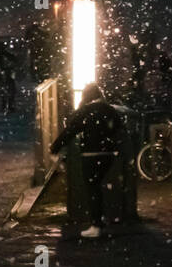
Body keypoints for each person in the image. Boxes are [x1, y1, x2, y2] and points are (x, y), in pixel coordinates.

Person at [50, 83, 123, 238]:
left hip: (90, 154)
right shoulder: (109, 110)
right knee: (100, 186)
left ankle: (96, 224)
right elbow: (118, 128)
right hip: (108, 154)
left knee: (92, 189)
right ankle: (105, 219)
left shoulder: (86, 111)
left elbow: (71, 130)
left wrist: (55, 147)